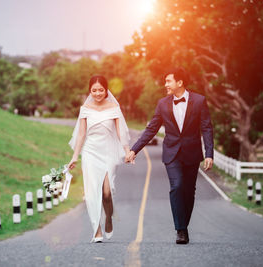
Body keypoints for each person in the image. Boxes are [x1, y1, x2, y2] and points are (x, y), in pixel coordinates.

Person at [125, 67, 214, 244]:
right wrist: (134, 150)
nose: (165, 84)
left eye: (168, 81)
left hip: (192, 153)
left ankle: (184, 226)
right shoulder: (163, 104)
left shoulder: (199, 101)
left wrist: (209, 153)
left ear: (180, 82)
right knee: (177, 185)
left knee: (189, 191)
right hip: (171, 153)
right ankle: (180, 230)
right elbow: (151, 129)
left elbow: (206, 128)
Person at [68, 75, 130, 243]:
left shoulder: (114, 108)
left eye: (100, 90)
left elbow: (120, 132)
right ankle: (96, 229)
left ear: (106, 90)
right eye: (94, 90)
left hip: (108, 151)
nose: (97, 93)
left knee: (107, 193)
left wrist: (127, 150)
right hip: (90, 152)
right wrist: (75, 156)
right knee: (91, 193)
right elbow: (81, 134)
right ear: (90, 91)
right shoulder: (85, 109)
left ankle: (108, 217)